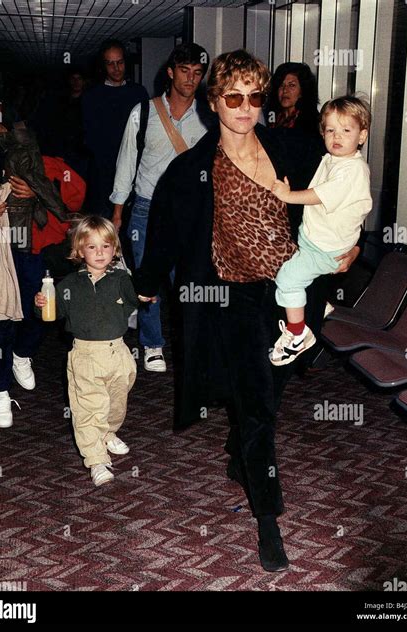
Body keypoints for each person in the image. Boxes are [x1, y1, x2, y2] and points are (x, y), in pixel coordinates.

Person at [133, 49, 337, 572]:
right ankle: (269, 520)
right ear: (213, 102)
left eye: (254, 97)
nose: (245, 107)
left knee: (277, 384)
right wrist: (147, 284)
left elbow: (339, 191)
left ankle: (237, 447)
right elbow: (166, 235)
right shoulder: (190, 170)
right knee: (256, 405)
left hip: (292, 290)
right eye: (233, 97)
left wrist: (349, 247)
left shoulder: (292, 146)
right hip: (232, 298)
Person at [110, 43, 211, 373]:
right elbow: (126, 162)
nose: (190, 79)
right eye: (184, 71)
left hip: (190, 212)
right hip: (147, 208)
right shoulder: (144, 112)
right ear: (170, 72)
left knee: (189, 280)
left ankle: (190, 343)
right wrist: (117, 212)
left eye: (197, 73)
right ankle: (152, 344)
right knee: (147, 279)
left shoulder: (209, 115)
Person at [34, 217, 138, 487]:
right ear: (79, 251)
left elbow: (132, 303)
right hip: (86, 356)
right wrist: (41, 304)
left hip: (119, 353)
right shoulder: (69, 284)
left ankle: (108, 432)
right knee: (88, 409)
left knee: (116, 404)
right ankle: (96, 459)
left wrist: (144, 296)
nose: (100, 252)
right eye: (92, 247)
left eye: (106, 246)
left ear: (115, 249)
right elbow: (52, 314)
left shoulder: (121, 279)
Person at [270, 96, 372, 365]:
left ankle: (297, 333)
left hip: (325, 248)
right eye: (330, 130)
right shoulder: (331, 159)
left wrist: (288, 195)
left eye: (346, 130)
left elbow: (320, 195)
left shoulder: (352, 169)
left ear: (362, 136)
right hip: (316, 240)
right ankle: (316, 306)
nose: (336, 137)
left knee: (288, 279)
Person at [0, 87, 48, 428]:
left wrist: (34, 188)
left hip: (25, 232)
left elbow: (47, 177)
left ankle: (23, 353)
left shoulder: (22, 136)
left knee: (39, 300)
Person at [82, 39, 148, 219]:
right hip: (103, 172)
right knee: (103, 223)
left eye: (119, 62)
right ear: (103, 66)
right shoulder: (92, 96)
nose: (116, 68)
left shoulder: (139, 93)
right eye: (110, 63)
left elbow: (144, 132)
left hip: (134, 170)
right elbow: (89, 138)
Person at [265, 61, 320, 137]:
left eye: (291, 85)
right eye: (281, 85)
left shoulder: (312, 122)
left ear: (302, 91)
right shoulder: (270, 116)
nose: (285, 90)